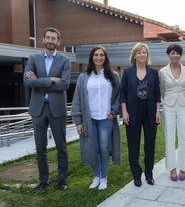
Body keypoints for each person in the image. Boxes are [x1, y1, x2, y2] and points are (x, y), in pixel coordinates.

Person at [23, 27, 71, 191]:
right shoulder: (33, 58)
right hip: (38, 109)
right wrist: (50, 80)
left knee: (61, 147)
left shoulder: (64, 60)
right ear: (43, 39)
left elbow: (64, 85)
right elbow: (27, 82)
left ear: (58, 41)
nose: (50, 41)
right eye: (48, 38)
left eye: (54, 38)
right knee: (40, 147)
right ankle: (44, 180)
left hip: (57, 109)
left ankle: (62, 179)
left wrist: (39, 83)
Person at [71, 46, 121, 190]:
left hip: (106, 118)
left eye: (101, 55)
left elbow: (119, 95)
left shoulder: (113, 76)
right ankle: (96, 176)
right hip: (89, 119)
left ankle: (104, 177)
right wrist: (78, 121)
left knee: (104, 149)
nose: (98, 57)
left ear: (105, 58)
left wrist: (113, 111)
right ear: (92, 57)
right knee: (93, 148)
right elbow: (77, 99)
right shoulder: (83, 77)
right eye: (96, 55)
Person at [120, 42, 161, 187]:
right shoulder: (127, 72)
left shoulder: (153, 73)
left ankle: (149, 174)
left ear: (147, 55)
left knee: (150, 145)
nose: (142, 55)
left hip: (150, 112)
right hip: (132, 113)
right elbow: (123, 93)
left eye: (144, 52)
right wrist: (124, 112)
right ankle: (136, 175)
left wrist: (157, 111)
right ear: (134, 55)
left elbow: (157, 94)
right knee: (133, 146)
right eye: (139, 52)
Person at [159, 44, 185, 181]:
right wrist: (166, 101)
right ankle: (172, 168)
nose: (175, 55)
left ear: (181, 55)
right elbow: (162, 89)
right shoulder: (162, 71)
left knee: (183, 137)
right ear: (168, 55)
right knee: (169, 138)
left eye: (177, 53)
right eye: (172, 53)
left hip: (183, 105)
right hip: (169, 106)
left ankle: (183, 168)